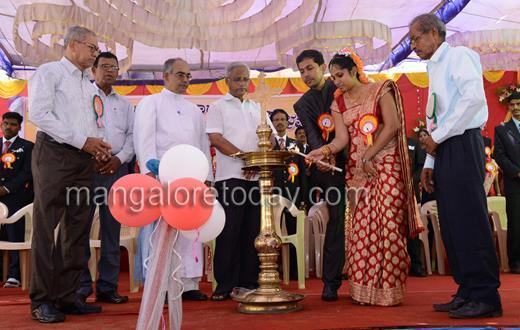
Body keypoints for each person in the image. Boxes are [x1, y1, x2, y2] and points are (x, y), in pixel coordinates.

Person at [307, 49, 420, 306]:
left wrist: (369, 154)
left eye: (341, 75)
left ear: (355, 71)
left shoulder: (380, 89)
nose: (337, 81)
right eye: (333, 77)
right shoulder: (338, 103)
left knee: (389, 227)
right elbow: (341, 140)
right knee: (362, 232)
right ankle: (364, 291)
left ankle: (388, 291)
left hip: (386, 164)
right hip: (359, 172)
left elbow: (392, 125)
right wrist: (322, 151)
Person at [410, 13, 502, 318]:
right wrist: (430, 162)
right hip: (445, 147)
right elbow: (437, 117)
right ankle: (466, 289)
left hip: (463, 144)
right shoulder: (435, 69)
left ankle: (486, 295)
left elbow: (472, 101)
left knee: (469, 221)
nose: (413, 45)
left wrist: (437, 138)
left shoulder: (460, 56)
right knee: (451, 224)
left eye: (416, 37)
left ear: (435, 34)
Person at [28, 26, 111, 323]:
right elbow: (38, 114)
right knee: (46, 226)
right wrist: (82, 140)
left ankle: (66, 296)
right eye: (92, 48)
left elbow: (93, 124)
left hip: (83, 161)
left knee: (77, 229)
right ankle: (41, 299)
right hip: (54, 155)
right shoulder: (49, 72)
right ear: (74, 45)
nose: (95, 54)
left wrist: (98, 146)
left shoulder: (89, 85)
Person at [133, 58, 212, 301]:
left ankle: (188, 283)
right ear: (165, 76)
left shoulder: (193, 110)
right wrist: (150, 174)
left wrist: (207, 178)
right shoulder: (151, 103)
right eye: (180, 75)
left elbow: (202, 144)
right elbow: (143, 140)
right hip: (162, 177)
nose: (186, 80)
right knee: (161, 233)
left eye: (188, 76)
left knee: (189, 230)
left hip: (191, 179)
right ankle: (162, 285)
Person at [76, 52, 134, 304]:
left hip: (116, 171)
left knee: (112, 231)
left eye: (114, 67)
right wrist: (89, 155)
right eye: (105, 66)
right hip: (85, 169)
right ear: (93, 70)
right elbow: (74, 131)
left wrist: (118, 160)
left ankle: (108, 287)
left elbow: (132, 138)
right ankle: (80, 287)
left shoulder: (125, 105)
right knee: (80, 229)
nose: (110, 71)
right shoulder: (80, 97)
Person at [293, 49, 346, 301]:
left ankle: (366, 276)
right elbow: (313, 135)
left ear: (322, 67)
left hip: (356, 161)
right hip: (328, 168)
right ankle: (331, 283)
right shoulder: (302, 104)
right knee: (336, 220)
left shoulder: (341, 87)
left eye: (309, 68)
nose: (305, 75)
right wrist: (322, 155)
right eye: (301, 71)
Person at [206, 62, 261, 301]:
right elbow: (216, 138)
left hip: (256, 176)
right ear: (226, 81)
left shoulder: (257, 107)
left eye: (245, 79)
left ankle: (247, 282)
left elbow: (264, 138)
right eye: (237, 79)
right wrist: (244, 158)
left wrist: (257, 162)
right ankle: (224, 284)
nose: (242, 84)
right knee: (229, 232)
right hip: (230, 178)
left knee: (252, 231)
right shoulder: (217, 107)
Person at [270, 108, 308, 279]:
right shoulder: (267, 145)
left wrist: (303, 199)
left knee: (294, 233)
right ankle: (272, 268)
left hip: (294, 196)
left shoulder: (297, 145)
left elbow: (302, 176)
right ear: (272, 123)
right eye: (276, 119)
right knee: (271, 234)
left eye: (282, 119)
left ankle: (293, 270)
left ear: (287, 122)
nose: (279, 122)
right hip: (273, 197)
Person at [0, 112, 33, 288]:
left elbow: (27, 173)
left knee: (14, 237)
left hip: (15, 199)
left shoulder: (27, 146)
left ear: (20, 127)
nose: (8, 127)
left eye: (13, 124)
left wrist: (6, 189)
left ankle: (14, 275)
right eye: (5, 123)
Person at [493, 91, 520, 274]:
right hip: (514, 182)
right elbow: (499, 156)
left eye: (519, 104)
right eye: (513, 105)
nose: (516, 108)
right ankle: (515, 261)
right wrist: (516, 172)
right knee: (516, 222)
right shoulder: (502, 129)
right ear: (508, 107)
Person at [406, 134, 427, 277]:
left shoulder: (413, 143)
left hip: (411, 193)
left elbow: (421, 166)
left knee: (412, 229)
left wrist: (411, 181)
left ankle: (416, 264)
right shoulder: (383, 141)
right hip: (388, 190)